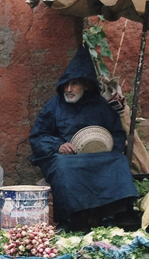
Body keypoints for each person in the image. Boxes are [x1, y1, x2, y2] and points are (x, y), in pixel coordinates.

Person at [29, 48, 139, 231]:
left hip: (96, 157)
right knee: (62, 166)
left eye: (74, 84)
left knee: (118, 161)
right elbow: (38, 136)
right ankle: (68, 219)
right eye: (66, 84)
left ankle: (110, 216)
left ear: (86, 85)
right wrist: (57, 145)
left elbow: (118, 134)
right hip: (66, 157)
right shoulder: (55, 105)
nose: (68, 89)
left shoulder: (100, 106)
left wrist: (110, 146)